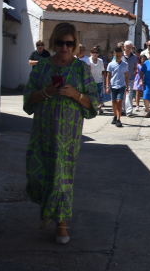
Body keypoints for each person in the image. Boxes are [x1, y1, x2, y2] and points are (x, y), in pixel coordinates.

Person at [22, 22, 98, 245]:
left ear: (74, 45)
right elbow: (28, 98)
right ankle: (47, 208)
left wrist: (75, 94)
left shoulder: (81, 69)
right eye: (60, 43)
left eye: (69, 43)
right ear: (53, 42)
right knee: (36, 174)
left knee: (61, 176)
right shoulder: (42, 67)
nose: (64, 47)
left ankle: (61, 225)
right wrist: (46, 92)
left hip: (69, 133)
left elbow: (93, 102)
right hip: (42, 131)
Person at [104, 47, 129, 128]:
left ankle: (118, 119)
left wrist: (127, 86)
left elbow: (126, 76)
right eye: (116, 55)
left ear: (122, 55)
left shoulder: (125, 64)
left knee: (119, 101)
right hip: (113, 85)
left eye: (119, 55)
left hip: (121, 86)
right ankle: (115, 116)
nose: (118, 56)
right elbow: (108, 76)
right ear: (114, 55)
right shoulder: (111, 65)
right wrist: (107, 86)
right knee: (114, 102)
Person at [85, 46, 106, 115]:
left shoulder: (100, 61)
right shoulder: (88, 60)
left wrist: (105, 81)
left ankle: (99, 107)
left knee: (99, 95)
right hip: (91, 81)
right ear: (90, 53)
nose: (95, 54)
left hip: (99, 80)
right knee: (92, 95)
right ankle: (94, 107)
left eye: (96, 52)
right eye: (93, 52)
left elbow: (103, 71)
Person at [122, 41, 139, 117]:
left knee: (129, 94)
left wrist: (135, 72)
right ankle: (122, 110)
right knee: (122, 95)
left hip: (130, 78)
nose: (129, 49)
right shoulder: (120, 55)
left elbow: (135, 67)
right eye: (127, 47)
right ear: (124, 47)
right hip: (121, 78)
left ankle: (129, 111)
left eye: (130, 48)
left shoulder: (134, 57)